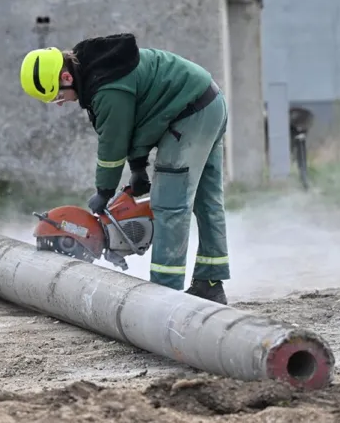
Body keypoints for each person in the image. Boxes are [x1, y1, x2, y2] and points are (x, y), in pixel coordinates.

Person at [19, 33, 231, 304]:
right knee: (206, 201)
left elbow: (113, 144)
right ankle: (210, 282)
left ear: (67, 77)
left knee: (169, 204)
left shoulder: (106, 89)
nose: (60, 102)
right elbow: (140, 120)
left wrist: (104, 191)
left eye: (57, 95)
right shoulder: (103, 69)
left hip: (190, 115)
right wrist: (138, 168)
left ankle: (165, 295)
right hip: (209, 103)